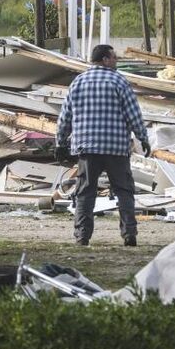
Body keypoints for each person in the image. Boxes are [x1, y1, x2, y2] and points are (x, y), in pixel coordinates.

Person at [55, 44, 151, 246]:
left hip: (87, 147)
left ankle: (82, 236)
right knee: (124, 190)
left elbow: (65, 117)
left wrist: (60, 142)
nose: (116, 61)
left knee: (85, 192)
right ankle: (129, 234)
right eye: (114, 58)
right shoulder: (119, 81)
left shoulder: (78, 82)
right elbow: (133, 115)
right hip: (116, 147)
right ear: (105, 59)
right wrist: (143, 138)